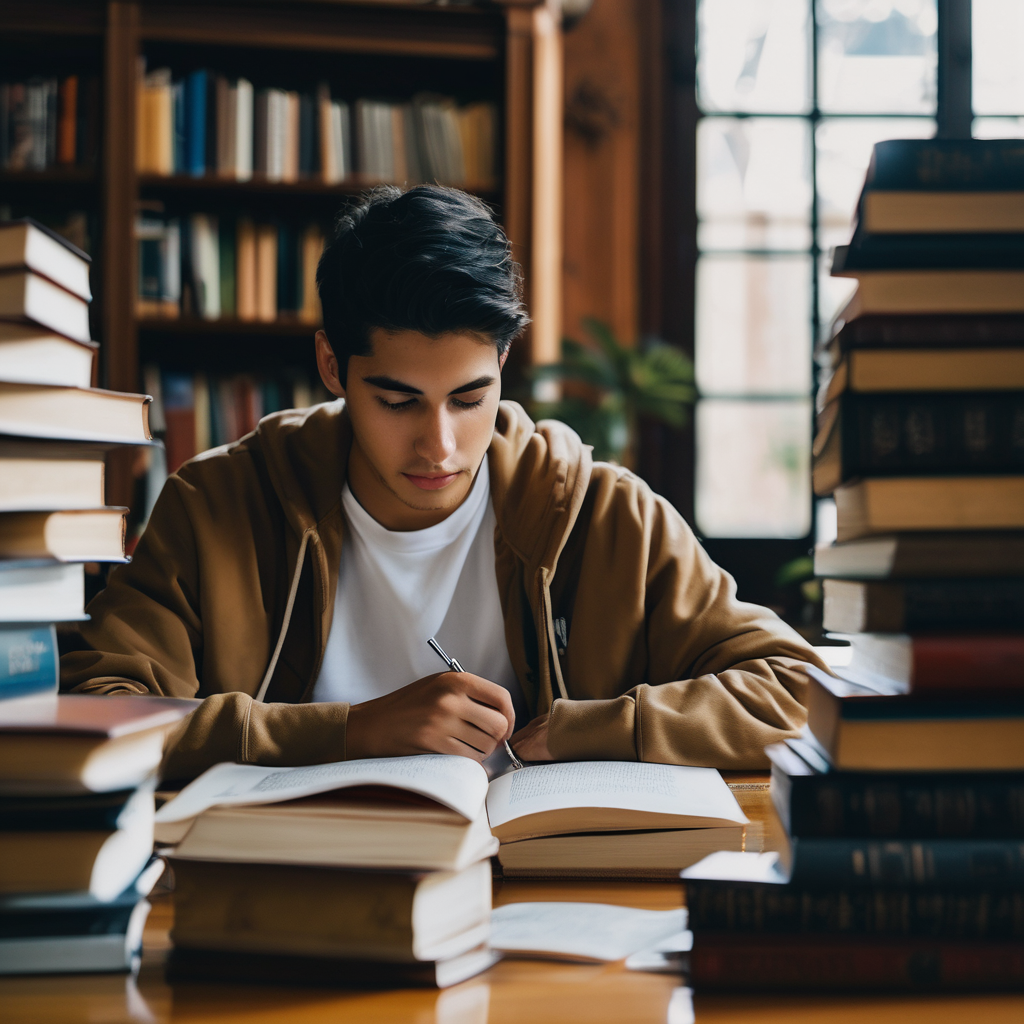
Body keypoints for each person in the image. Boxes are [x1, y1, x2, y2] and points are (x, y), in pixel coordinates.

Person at [62, 185, 824, 783]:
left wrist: (587, 728)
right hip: (280, 888)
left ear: (503, 364)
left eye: (468, 398)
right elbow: (100, 714)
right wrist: (353, 730)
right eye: (397, 402)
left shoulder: (600, 513)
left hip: (541, 900)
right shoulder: (217, 506)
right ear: (333, 368)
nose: (439, 444)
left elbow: (798, 691)